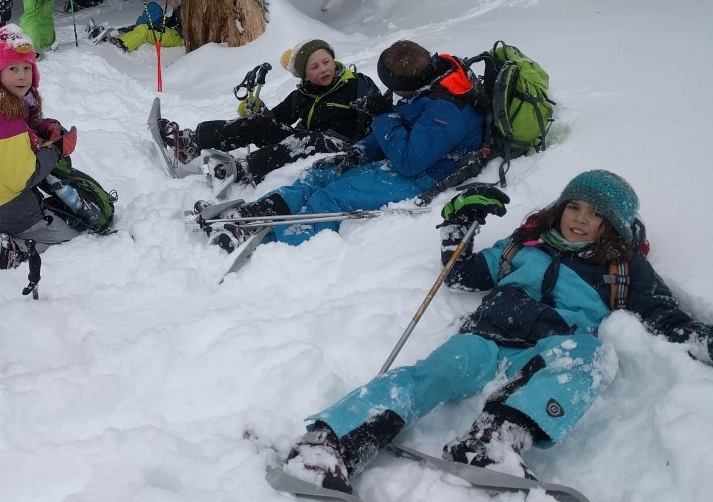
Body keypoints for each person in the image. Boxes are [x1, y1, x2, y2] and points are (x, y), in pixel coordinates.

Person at [281, 171, 713, 493]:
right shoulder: (523, 245)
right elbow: (463, 274)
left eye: (596, 214)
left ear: (613, 225)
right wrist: (459, 223)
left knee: (595, 357)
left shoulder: (623, 267)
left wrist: (698, 338)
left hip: (549, 348)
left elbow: (663, 313)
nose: (580, 220)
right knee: (426, 376)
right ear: (560, 208)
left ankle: (494, 438)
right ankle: (329, 442)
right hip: (486, 338)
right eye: (574, 207)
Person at [205, 40, 484, 251]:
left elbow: (410, 162)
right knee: (317, 175)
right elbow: (404, 126)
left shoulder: (444, 112)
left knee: (334, 195)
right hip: (412, 155)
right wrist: (360, 152)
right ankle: (256, 214)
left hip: (430, 172)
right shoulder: (424, 86)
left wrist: (382, 116)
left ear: (402, 84)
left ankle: (271, 240)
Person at [158, 39, 386, 186]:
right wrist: (255, 111)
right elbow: (274, 121)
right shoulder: (303, 94)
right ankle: (190, 142)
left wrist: (363, 148)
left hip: (344, 148)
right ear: (304, 75)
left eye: (326, 62)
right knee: (260, 124)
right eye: (315, 67)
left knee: (308, 139)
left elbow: (379, 117)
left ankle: (243, 170)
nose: (324, 69)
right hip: (303, 141)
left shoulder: (356, 85)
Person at [0, 24, 84, 261]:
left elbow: (17, 141)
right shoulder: (8, 123)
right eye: (13, 68)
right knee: (74, 239)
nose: (22, 76)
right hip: (11, 214)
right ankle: (4, 250)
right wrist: (57, 150)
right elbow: (23, 178)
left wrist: (41, 128)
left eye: (27, 68)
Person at [86, 0, 185, 53]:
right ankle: (112, 35)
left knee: (144, 29)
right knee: (139, 25)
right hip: (170, 29)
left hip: (178, 36)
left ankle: (122, 44)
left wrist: (177, 7)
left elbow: (185, 20)